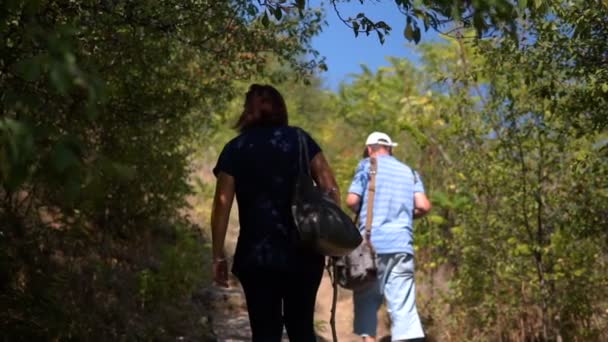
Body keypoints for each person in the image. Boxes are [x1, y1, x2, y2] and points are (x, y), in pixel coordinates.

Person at [210, 84, 340, 342]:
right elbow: (331, 188)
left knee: (265, 332)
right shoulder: (302, 140)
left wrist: (218, 256)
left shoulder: (235, 148)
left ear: (248, 112)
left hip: (257, 257)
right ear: (281, 109)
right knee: (302, 328)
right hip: (303, 254)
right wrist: (333, 241)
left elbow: (222, 205)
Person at [345, 132, 432, 342]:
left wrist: (366, 208)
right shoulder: (409, 172)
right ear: (390, 148)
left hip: (372, 245)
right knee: (403, 305)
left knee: (367, 299)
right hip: (402, 245)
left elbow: (351, 200)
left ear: (369, 149)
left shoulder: (367, 166)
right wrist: (403, 216)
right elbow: (424, 206)